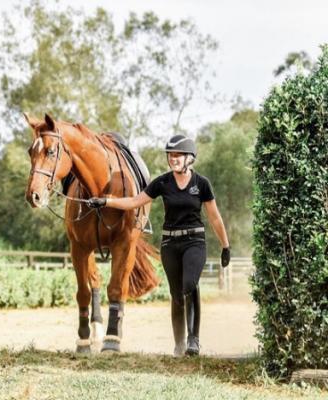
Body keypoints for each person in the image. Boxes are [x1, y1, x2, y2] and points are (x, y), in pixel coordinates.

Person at [87, 134, 230, 356]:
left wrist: (225, 246)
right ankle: (179, 343)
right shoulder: (162, 182)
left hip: (194, 241)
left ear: (190, 158)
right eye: (170, 156)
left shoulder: (201, 184)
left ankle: (194, 340)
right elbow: (135, 201)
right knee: (175, 293)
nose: (173, 159)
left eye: (178, 156)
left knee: (189, 285)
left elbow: (215, 218)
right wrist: (107, 201)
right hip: (170, 242)